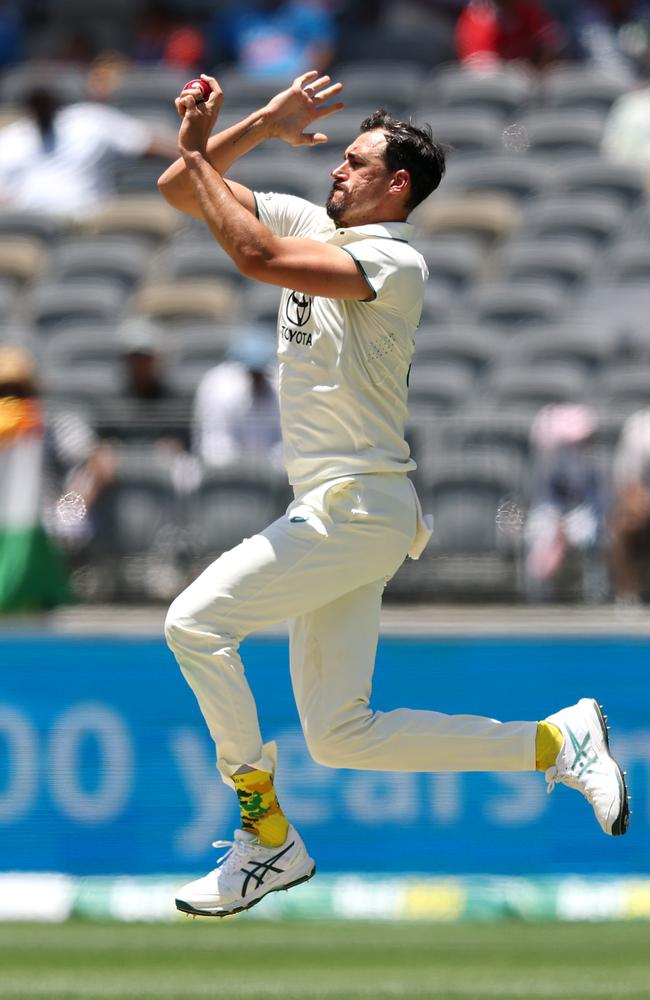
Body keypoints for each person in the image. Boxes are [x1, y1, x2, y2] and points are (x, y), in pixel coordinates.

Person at [158, 70, 629, 918]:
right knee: (340, 736)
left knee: (193, 623)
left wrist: (198, 146)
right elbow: (178, 188)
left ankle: (263, 834)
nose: (336, 170)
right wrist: (259, 124)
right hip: (343, 512)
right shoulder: (317, 223)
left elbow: (253, 255)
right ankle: (559, 743)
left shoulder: (392, 259)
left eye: (355, 161)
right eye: (337, 157)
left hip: (356, 505)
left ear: (397, 184)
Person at [0, 344, 114, 611]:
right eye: (3, 391)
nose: (9, 399)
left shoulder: (53, 426)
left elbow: (100, 463)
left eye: (17, 391)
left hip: (42, 526)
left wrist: (70, 509)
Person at [0, 80, 177, 220]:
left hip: (86, 219)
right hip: (32, 223)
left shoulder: (89, 120)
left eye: (44, 102)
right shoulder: (12, 138)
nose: (41, 108)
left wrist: (195, 155)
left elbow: (145, 142)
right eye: (36, 104)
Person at [524, 404, 608, 603]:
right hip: (550, 514)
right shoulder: (544, 465)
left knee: (591, 534)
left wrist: (575, 525)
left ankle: (594, 595)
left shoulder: (593, 464)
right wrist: (558, 524)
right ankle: (538, 598)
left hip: (582, 516)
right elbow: (542, 499)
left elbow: (596, 502)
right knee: (536, 533)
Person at [192, 327, 282, 468]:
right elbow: (215, 451)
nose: (257, 377)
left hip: (271, 480)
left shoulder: (277, 386)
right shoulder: (218, 387)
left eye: (261, 371)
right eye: (252, 371)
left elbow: (286, 445)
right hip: (224, 478)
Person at [610, 407, 650, 603]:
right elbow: (628, 482)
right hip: (644, 505)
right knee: (626, 523)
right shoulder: (641, 426)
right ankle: (628, 595)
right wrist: (638, 505)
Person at [455, 0, 564, 70]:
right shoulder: (477, 15)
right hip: (494, 91)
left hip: (530, 85)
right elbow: (479, 70)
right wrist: (512, 69)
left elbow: (552, 47)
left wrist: (537, 69)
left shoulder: (527, 9)